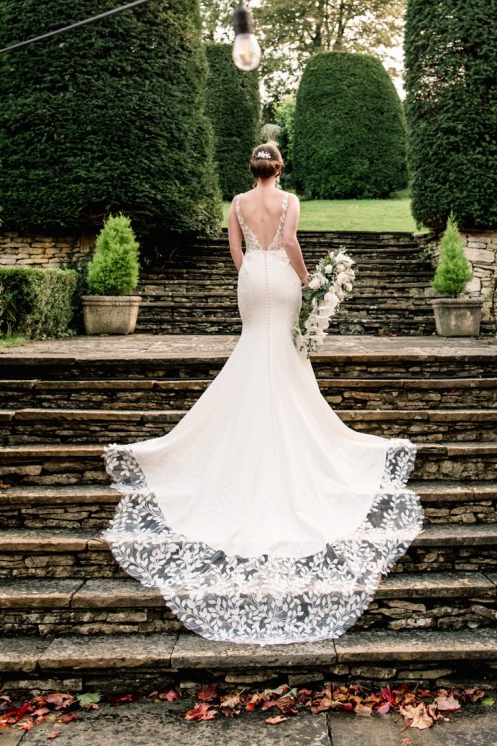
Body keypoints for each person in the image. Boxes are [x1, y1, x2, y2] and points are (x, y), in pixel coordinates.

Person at [103, 143, 423, 644]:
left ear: (252, 170)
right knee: (286, 355)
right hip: (282, 276)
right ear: (279, 168)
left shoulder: (235, 202)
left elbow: (235, 250)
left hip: (252, 276)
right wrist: (305, 278)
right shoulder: (290, 199)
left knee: (256, 347)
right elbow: (291, 241)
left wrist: (250, 271)